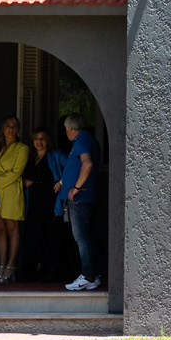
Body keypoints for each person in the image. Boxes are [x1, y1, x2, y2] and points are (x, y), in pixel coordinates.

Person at [0, 117, 29, 284]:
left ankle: (11, 266)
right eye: (8, 125)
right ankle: (1, 265)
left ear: (18, 130)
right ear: (3, 128)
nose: (11, 128)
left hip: (12, 191)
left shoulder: (22, 148)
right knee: (0, 230)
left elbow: (16, 172)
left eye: (14, 126)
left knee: (12, 229)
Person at [61, 114, 104, 293]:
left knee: (81, 238)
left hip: (80, 199)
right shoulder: (85, 139)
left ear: (70, 128)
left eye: (66, 130)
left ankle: (87, 276)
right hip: (83, 198)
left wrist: (76, 187)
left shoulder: (82, 140)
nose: (66, 133)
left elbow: (87, 163)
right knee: (85, 237)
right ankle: (93, 275)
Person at [20, 126, 69, 282]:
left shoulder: (56, 155)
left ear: (48, 141)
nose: (39, 142)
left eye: (43, 138)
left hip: (50, 201)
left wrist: (61, 182)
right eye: (36, 139)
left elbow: (72, 167)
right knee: (35, 236)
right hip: (33, 202)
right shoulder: (31, 158)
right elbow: (22, 175)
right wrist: (23, 182)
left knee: (51, 236)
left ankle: (53, 271)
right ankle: (38, 269)